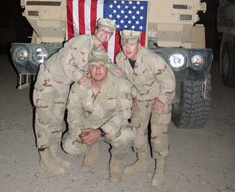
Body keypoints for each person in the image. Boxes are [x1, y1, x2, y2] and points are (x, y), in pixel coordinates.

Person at [33, 17, 116, 175]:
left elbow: (106, 64)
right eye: (103, 30)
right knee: (44, 119)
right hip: (49, 80)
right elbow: (65, 62)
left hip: (63, 84)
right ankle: (44, 158)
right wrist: (79, 77)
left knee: (57, 119)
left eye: (109, 32)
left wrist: (117, 72)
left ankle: (54, 154)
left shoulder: (99, 51)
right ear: (96, 30)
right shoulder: (82, 41)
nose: (105, 34)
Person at [62, 50, 136, 183]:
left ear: (108, 67)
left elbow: (123, 115)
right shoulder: (78, 86)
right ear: (88, 69)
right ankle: (92, 148)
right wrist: (80, 133)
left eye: (102, 65)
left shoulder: (121, 85)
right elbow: (73, 113)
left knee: (128, 134)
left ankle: (116, 161)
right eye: (93, 66)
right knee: (69, 145)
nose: (97, 69)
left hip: (110, 129)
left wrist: (100, 132)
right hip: (87, 127)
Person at [115, 30, 176, 188]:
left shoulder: (150, 58)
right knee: (137, 131)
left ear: (138, 44)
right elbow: (124, 81)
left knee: (158, 135)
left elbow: (169, 80)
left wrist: (162, 99)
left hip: (158, 98)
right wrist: (133, 95)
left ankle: (160, 169)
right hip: (140, 99)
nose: (127, 48)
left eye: (132, 44)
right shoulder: (120, 59)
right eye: (124, 44)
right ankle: (142, 162)